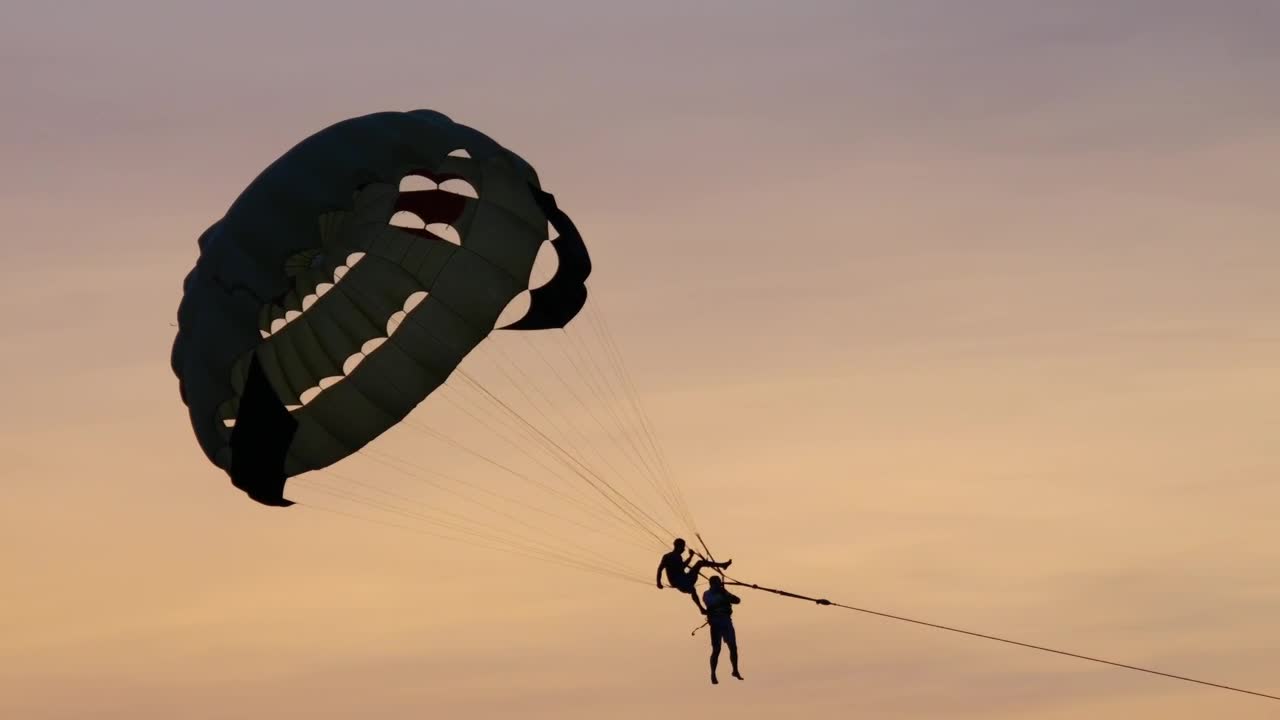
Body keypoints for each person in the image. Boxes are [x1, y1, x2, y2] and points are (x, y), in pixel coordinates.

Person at [655, 538, 731, 613]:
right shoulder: (671, 556)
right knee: (698, 568)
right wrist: (658, 582)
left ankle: (722, 565)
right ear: (679, 546)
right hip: (681, 582)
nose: (684, 549)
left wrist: (659, 582)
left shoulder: (673, 556)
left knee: (699, 567)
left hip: (684, 579)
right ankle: (722, 565)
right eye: (683, 547)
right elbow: (664, 568)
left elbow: (676, 567)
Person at [702, 575, 743, 684]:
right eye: (717, 583)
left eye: (719, 583)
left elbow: (737, 600)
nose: (719, 585)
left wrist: (725, 592)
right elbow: (712, 604)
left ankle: (735, 670)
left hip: (726, 621)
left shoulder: (723, 593)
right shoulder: (707, 594)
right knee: (716, 650)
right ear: (712, 584)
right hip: (716, 623)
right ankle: (713, 673)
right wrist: (724, 597)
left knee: (733, 647)